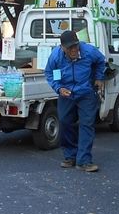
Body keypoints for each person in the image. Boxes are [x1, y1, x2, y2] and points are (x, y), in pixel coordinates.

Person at [44, 30, 107, 173]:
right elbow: (49, 73)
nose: (73, 50)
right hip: (66, 93)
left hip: (86, 91)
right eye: (69, 47)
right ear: (62, 48)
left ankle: (84, 160)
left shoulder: (89, 51)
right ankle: (70, 156)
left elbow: (101, 61)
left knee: (87, 123)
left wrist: (98, 77)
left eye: (75, 46)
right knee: (65, 121)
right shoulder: (56, 56)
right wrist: (59, 88)